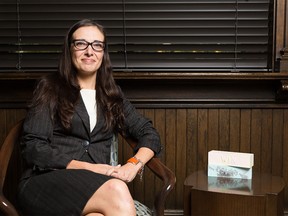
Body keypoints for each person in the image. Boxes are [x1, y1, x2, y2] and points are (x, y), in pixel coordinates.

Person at [17, 19, 162, 216]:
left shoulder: (112, 94)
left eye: (97, 45)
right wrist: (90, 168)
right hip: (46, 182)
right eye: (81, 44)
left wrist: (133, 165)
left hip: (95, 188)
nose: (89, 51)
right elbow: (33, 147)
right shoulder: (49, 88)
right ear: (70, 50)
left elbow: (148, 133)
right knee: (116, 189)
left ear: (103, 53)